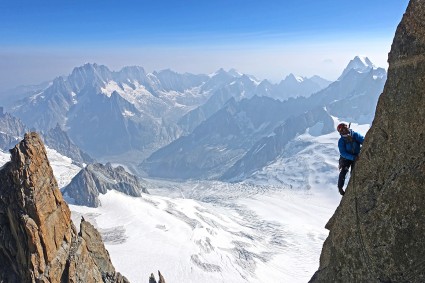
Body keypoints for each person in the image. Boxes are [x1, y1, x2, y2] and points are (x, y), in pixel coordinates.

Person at [336, 123, 364, 195]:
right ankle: (340, 187)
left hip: (355, 156)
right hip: (346, 158)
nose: (345, 130)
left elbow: (363, 140)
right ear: (340, 132)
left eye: (345, 128)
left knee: (353, 172)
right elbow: (343, 153)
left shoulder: (355, 135)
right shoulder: (342, 141)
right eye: (342, 130)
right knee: (344, 171)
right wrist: (353, 157)